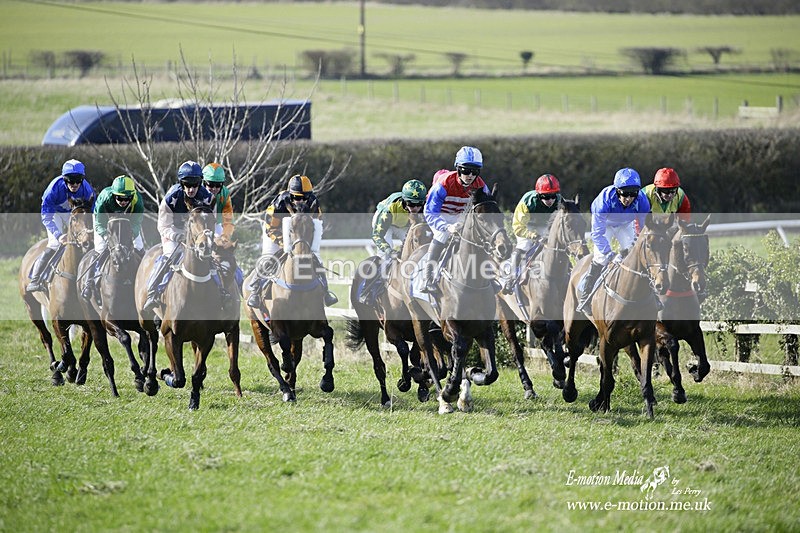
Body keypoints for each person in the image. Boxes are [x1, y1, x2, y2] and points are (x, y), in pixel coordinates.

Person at [246, 174, 338, 310]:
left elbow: (315, 225)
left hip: (300, 236)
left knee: (316, 258)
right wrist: (285, 244)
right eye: (296, 197)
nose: (300, 201)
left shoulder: (313, 203)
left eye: (303, 197)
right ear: (290, 195)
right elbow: (270, 228)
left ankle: (325, 292)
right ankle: (255, 289)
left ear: (309, 196)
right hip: (275, 232)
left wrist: (305, 243)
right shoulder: (280, 202)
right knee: (268, 257)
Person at [142, 161, 217, 311]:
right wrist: (176, 236)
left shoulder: (208, 198)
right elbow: (162, 225)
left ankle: (221, 291)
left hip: (199, 234)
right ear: (181, 184)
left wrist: (207, 236)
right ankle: (153, 292)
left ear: (200, 183)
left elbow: (212, 221)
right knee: (169, 256)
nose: (190, 189)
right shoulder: (171, 198)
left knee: (212, 258)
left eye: (194, 184)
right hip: (173, 233)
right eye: (186, 185)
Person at [576, 167, 651, 314]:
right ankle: (586, 293)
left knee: (637, 256)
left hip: (625, 225)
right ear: (617, 191)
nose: (628, 198)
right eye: (624, 194)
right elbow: (597, 234)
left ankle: (651, 293)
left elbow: (643, 229)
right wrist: (610, 254)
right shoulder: (603, 201)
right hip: (606, 225)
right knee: (601, 258)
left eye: (633, 194)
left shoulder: (642, 201)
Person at [422, 146, 490, 292]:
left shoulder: (481, 186)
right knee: (443, 234)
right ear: (458, 169)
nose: (470, 175)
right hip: (440, 215)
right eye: (466, 170)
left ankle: (488, 275)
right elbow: (429, 212)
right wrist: (447, 227)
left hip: (460, 216)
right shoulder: (444, 183)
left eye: (475, 171)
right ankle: (427, 277)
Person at [27, 159, 95, 293]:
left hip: (75, 214)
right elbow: (46, 217)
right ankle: (35, 279)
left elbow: (93, 212)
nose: (74, 184)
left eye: (78, 180)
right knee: (54, 244)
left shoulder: (87, 190)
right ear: (64, 179)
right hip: (55, 214)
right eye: (70, 180)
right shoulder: (53, 190)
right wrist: (58, 235)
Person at [358, 179, 428, 305]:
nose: (415, 208)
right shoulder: (389, 209)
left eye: (419, 204)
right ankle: (367, 290)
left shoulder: (423, 208)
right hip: (386, 223)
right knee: (385, 256)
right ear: (404, 201)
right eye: (411, 204)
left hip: (403, 224)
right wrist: (388, 249)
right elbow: (377, 235)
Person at [80, 175, 145, 301]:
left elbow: (137, 222)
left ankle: (144, 281)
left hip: (128, 224)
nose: (123, 201)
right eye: (119, 198)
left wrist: (131, 234)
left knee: (140, 247)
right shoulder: (105, 198)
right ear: (114, 195)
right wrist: (105, 236)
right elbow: (99, 223)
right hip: (105, 223)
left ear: (133, 195)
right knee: (100, 249)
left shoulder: (137, 201)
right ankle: (89, 282)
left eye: (127, 198)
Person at [504, 173, 563, 293]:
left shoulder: (559, 201)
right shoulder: (528, 202)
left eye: (552, 196)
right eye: (546, 197)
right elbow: (518, 227)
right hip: (526, 226)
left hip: (545, 226)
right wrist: (532, 235)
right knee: (525, 246)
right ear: (539, 195)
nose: (550, 200)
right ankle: (511, 277)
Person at [202, 162, 235, 239]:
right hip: (197, 224)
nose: (214, 189)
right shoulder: (196, 191)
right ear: (204, 182)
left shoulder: (225, 193)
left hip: (215, 224)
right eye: (211, 184)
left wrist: (225, 236)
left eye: (218, 185)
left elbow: (228, 219)